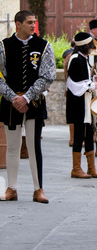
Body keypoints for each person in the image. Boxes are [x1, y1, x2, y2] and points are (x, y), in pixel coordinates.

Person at [0, 10, 56, 203]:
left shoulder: (43, 46)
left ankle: (38, 189)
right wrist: (14, 97)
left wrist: (27, 97)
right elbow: (0, 76)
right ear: (18, 24)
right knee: (13, 147)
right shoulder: (4, 46)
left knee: (34, 146)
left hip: (34, 103)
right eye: (29, 22)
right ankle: (12, 189)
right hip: (10, 104)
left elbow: (48, 76)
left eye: (35, 22)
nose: (33, 26)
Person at [66, 32, 97, 179]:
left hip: (85, 103)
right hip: (78, 104)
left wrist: (93, 78)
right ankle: (76, 168)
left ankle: (91, 168)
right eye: (90, 45)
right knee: (79, 135)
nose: (92, 47)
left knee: (89, 134)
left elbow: (83, 78)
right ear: (85, 46)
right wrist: (92, 84)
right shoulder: (75, 59)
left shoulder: (83, 58)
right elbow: (74, 84)